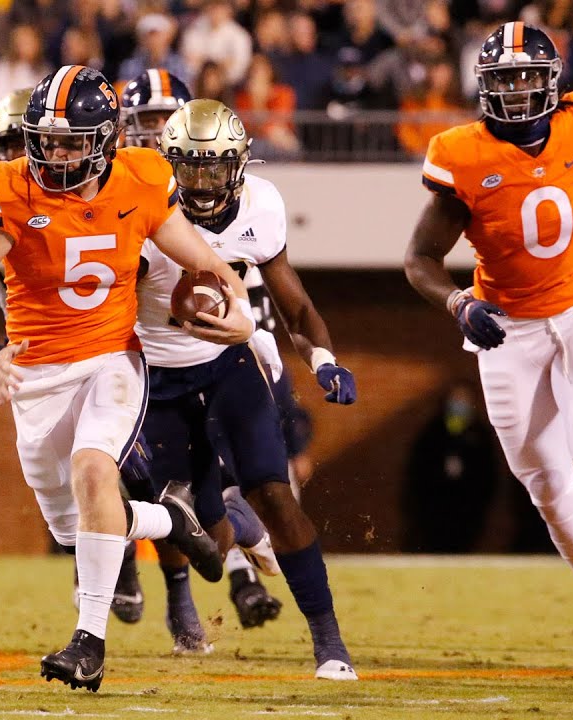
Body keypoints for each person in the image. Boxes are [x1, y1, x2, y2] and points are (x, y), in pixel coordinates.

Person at [0, 64, 246, 692]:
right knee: (72, 525)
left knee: (92, 471)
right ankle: (166, 521)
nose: (56, 152)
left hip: (113, 358)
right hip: (35, 375)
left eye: (72, 140)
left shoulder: (141, 177)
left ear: (106, 138)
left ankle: (89, 642)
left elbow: (202, 259)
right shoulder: (11, 188)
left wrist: (235, 305)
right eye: (47, 139)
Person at [404, 21, 573, 669]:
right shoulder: (463, 153)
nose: (521, 90)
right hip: (507, 330)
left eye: (531, 76)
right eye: (507, 79)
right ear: (485, 87)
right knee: (549, 490)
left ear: (553, 82)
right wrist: (457, 301)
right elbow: (419, 258)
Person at [144, 99, 358, 679]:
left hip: (228, 362)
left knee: (275, 491)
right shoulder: (141, 201)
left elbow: (295, 304)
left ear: (239, 164)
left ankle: (329, 643)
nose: (204, 180)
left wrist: (323, 361)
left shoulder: (261, 203)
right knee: (209, 549)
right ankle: (233, 523)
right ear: (169, 164)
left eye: (216, 167)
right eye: (189, 166)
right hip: (159, 378)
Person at [403, 382, 499, 553]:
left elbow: (488, 473)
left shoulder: (479, 434)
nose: (460, 405)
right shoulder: (433, 432)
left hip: (468, 508)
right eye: (456, 399)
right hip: (435, 507)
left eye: (464, 400)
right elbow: (419, 471)